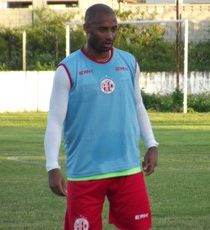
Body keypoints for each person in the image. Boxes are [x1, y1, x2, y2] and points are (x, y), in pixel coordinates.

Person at [44, 3, 159, 230]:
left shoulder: (128, 62)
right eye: (102, 29)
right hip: (85, 172)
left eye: (114, 29)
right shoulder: (68, 69)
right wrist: (52, 166)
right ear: (86, 28)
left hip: (127, 167)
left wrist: (152, 143)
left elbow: (138, 105)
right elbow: (55, 122)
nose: (110, 35)